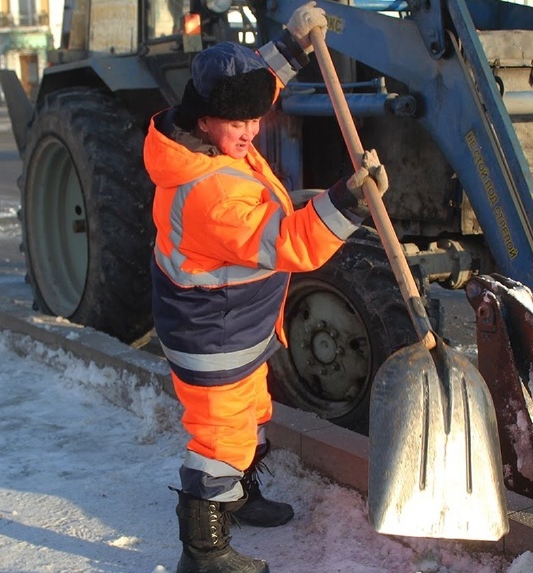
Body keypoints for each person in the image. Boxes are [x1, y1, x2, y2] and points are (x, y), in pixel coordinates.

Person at [143, 3, 389, 571]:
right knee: (220, 439)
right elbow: (291, 244)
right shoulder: (209, 193)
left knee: (252, 412)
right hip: (212, 336)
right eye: (239, 125)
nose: (251, 132)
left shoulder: (205, 133)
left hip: (238, 324)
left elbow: (257, 85)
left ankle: (241, 496)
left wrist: (295, 45)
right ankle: (203, 552)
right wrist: (347, 202)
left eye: (255, 121)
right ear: (205, 119)